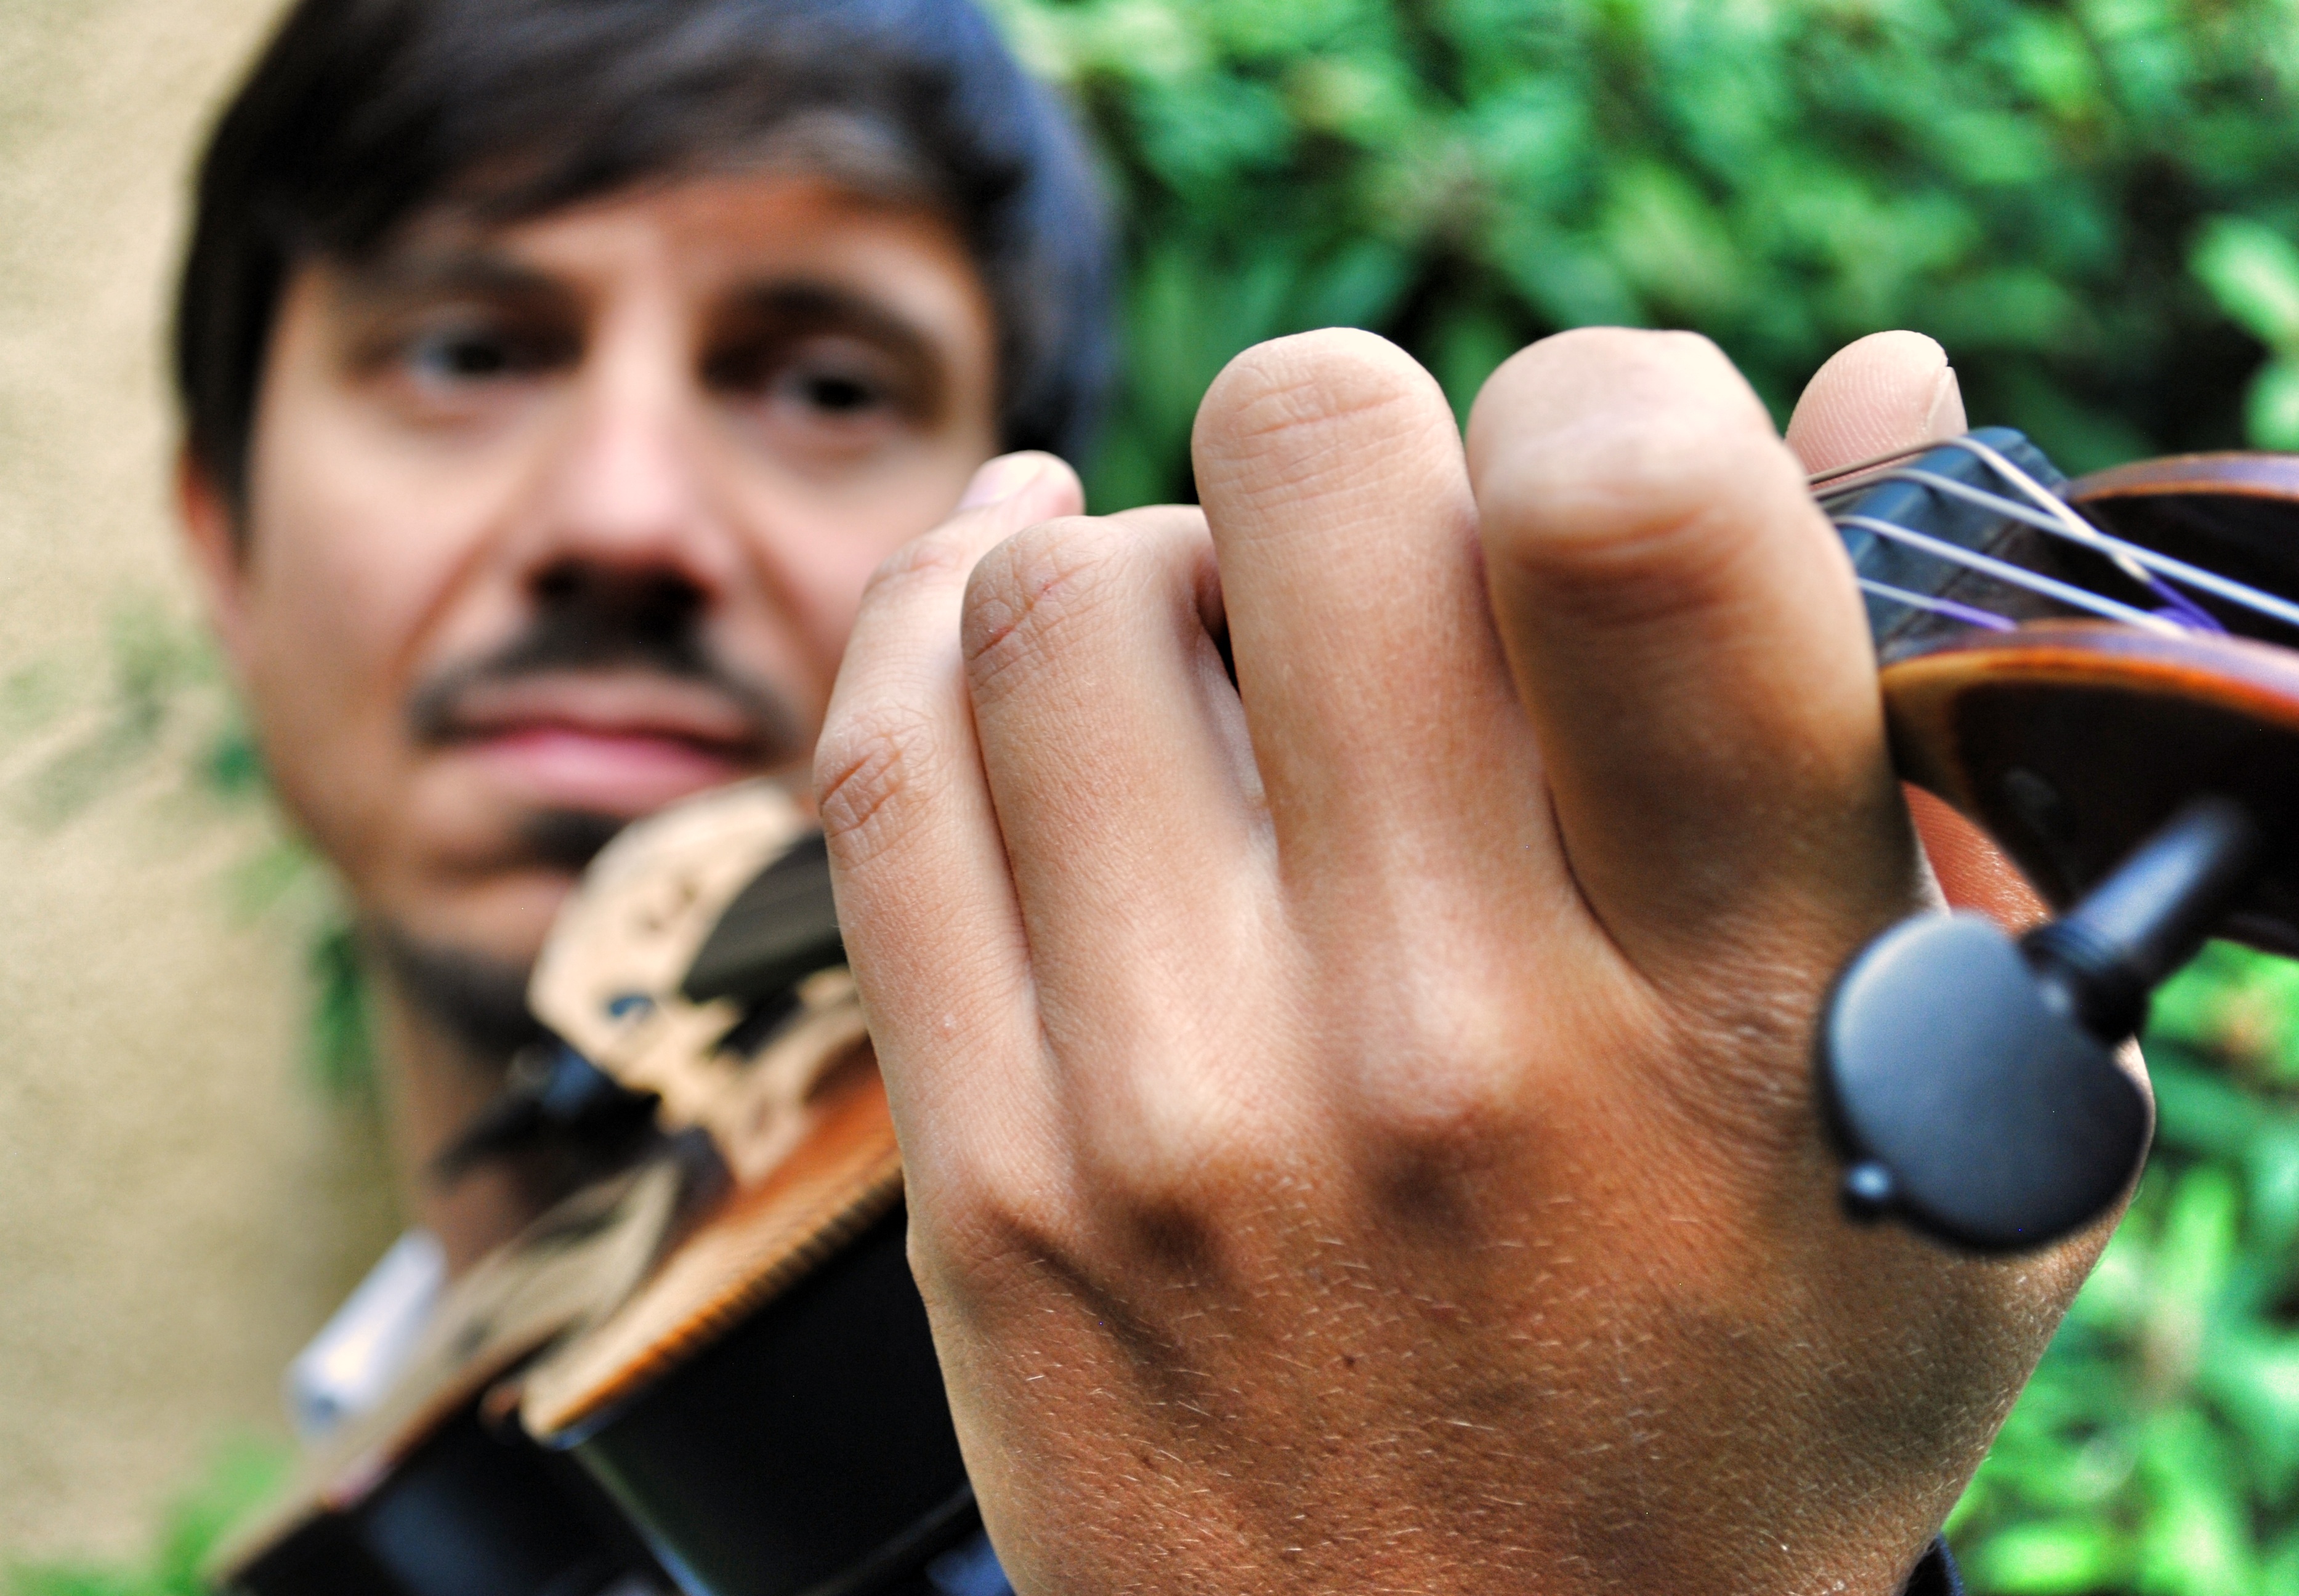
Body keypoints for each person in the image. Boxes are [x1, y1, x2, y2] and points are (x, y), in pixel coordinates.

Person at [171, 0, 2107, 1588]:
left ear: (1017, 556)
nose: (623, 518)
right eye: (466, 350)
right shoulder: (372, 1489)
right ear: (221, 540)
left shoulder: (1252, 1385)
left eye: (824, 383)